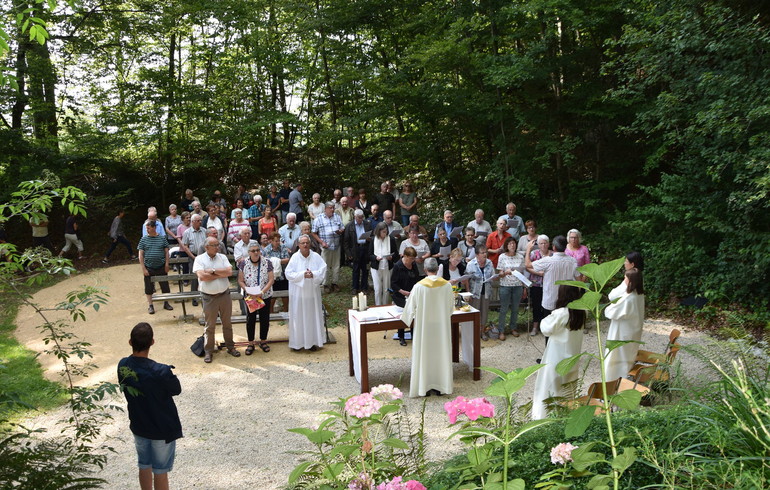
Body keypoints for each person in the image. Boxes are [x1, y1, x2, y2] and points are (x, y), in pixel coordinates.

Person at [118, 322, 182, 490]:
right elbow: (176, 389)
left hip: (139, 425)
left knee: (144, 464)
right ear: (152, 342)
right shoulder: (161, 371)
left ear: (130, 342)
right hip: (161, 428)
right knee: (160, 470)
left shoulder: (123, 365)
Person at [531, 285, 586, 419]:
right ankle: (565, 415)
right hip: (573, 355)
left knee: (550, 387)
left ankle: (544, 417)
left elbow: (545, 328)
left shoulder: (561, 313)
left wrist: (549, 315)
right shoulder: (582, 311)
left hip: (556, 356)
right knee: (568, 387)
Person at [401, 258, 454, 397]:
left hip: (424, 327)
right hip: (440, 326)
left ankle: (423, 387)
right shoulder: (447, 286)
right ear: (437, 269)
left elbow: (409, 310)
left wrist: (406, 317)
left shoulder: (418, 287)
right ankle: (441, 386)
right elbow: (450, 308)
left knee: (424, 354)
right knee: (440, 353)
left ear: (424, 270)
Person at [193, 237, 240, 363]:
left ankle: (230, 347)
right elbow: (202, 276)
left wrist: (213, 271)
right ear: (206, 247)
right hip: (209, 297)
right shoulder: (199, 259)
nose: (217, 247)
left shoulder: (222, 257)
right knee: (210, 326)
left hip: (224, 295)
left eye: (217, 245)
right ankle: (209, 351)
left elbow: (229, 272)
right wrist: (220, 273)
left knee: (227, 323)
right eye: (214, 245)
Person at [284, 235, 327, 350]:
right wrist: (303, 274)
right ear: (298, 245)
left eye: (307, 242)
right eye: (302, 243)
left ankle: (312, 342)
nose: (305, 245)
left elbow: (323, 269)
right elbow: (288, 273)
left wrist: (313, 274)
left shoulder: (316, 256)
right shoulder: (294, 257)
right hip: (298, 294)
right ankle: (298, 343)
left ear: (310, 243)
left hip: (312, 294)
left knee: (312, 317)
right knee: (298, 317)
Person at [604, 268, 645, 381]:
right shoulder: (639, 294)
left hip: (621, 333)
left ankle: (614, 383)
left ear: (630, 281)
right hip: (632, 331)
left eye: (625, 278)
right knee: (627, 357)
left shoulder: (629, 299)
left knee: (617, 359)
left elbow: (610, 312)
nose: (624, 280)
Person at [525, 235, 578, 317]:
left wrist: (528, 249)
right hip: (567, 299)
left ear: (554, 247)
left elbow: (528, 265)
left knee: (550, 325)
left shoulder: (548, 260)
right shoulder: (573, 261)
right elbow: (578, 280)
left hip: (550, 300)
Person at [237, 241, 275, 355]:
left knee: (264, 319)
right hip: (250, 296)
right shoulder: (243, 263)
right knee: (251, 319)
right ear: (249, 252)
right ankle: (250, 343)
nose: (256, 253)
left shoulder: (267, 262)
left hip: (264, 295)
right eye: (253, 251)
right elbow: (240, 280)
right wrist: (248, 290)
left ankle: (263, 341)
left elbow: (271, 279)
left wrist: (262, 292)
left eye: (257, 250)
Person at [137, 220, 173, 315]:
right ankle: (150, 305)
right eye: (146, 228)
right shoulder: (143, 239)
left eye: (149, 228)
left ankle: (166, 303)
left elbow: (166, 252)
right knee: (148, 287)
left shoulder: (162, 238)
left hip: (161, 266)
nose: (147, 230)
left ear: (154, 227)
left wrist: (166, 264)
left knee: (164, 285)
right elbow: (140, 255)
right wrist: (143, 268)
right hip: (149, 266)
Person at [495, 236, 525, 340]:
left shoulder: (520, 257)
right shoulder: (502, 257)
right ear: (506, 246)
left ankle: (513, 328)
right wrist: (504, 273)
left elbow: (523, 272)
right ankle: (501, 330)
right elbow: (500, 273)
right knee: (503, 309)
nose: (512, 245)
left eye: (514, 243)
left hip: (517, 286)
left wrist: (524, 286)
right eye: (510, 244)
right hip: (505, 286)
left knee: (515, 309)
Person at [311, 202, 344, 293]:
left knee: (336, 266)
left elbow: (342, 227)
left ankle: (334, 283)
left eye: (333, 208)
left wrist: (340, 231)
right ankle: (325, 284)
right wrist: (321, 242)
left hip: (336, 245)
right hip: (326, 246)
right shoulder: (319, 219)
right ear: (325, 209)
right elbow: (313, 233)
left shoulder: (337, 217)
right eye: (330, 208)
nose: (332, 210)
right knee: (325, 266)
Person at [391, 246, 420, 346]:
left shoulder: (413, 264)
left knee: (413, 313)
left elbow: (416, 278)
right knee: (404, 315)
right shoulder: (398, 266)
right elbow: (393, 284)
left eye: (413, 259)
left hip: (411, 293)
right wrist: (403, 292)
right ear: (405, 256)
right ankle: (401, 336)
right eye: (411, 258)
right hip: (400, 295)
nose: (413, 261)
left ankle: (413, 333)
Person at [467, 245, 497, 339]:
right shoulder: (471, 264)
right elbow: (467, 280)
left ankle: (482, 332)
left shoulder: (489, 263)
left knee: (484, 313)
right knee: (475, 313)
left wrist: (494, 277)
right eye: (482, 252)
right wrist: (468, 293)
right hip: (475, 292)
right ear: (476, 255)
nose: (485, 254)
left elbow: (493, 275)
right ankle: (474, 332)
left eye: (485, 252)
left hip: (486, 291)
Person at [343, 209, 373, 294]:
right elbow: (346, 241)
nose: (361, 219)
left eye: (362, 217)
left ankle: (364, 287)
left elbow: (373, 236)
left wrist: (369, 239)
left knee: (365, 269)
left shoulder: (367, 224)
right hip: (355, 249)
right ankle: (355, 287)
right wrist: (348, 253)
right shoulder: (350, 226)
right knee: (355, 269)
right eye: (359, 217)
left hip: (365, 249)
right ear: (355, 217)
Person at [180, 214, 207, 305]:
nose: (200, 222)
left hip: (204, 257)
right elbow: (185, 246)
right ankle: (194, 298)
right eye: (198, 220)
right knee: (195, 277)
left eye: (200, 220)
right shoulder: (187, 232)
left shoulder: (204, 231)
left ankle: (206, 296)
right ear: (193, 222)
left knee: (205, 276)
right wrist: (193, 257)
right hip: (193, 257)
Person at [528, 234, 552, 336]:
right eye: (541, 243)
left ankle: (547, 327)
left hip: (550, 285)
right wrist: (538, 273)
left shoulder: (553, 255)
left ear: (548, 244)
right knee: (536, 305)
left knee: (548, 306)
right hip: (536, 284)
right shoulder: (534, 254)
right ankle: (535, 326)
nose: (543, 245)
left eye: (545, 243)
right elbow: (527, 267)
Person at [369, 222, 397, 305]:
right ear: (378, 232)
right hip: (376, 267)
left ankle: (385, 305)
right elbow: (369, 255)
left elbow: (396, 253)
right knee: (377, 289)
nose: (385, 233)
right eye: (383, 232)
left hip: (387, 267)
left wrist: (391, 257)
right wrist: (375, 258)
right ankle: (378, 305)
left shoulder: (391, 239)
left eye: (386, 231)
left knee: (386, 288)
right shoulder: (373, 239)